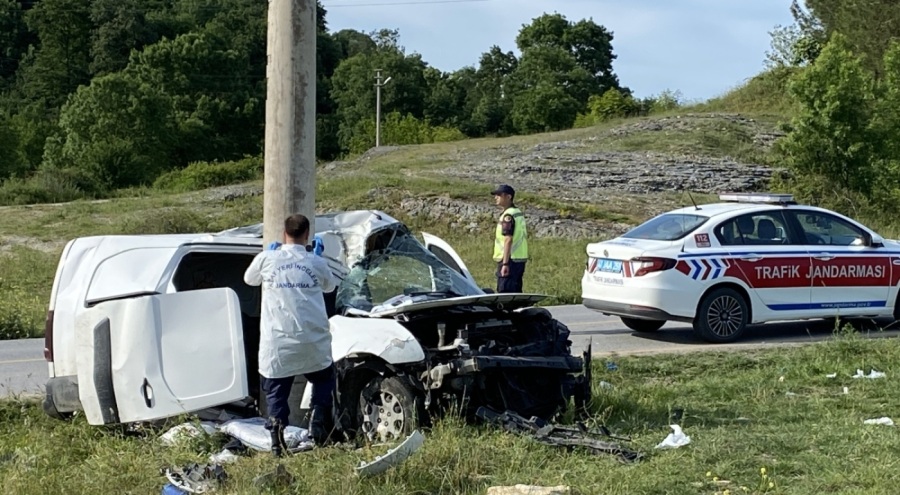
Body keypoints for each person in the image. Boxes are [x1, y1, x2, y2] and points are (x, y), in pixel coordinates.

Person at [243, 214, 338, 456]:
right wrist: (316, 258)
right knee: (324, 378)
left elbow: (249, 280)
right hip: (312, 341)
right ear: (307, 235)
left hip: (279, 342)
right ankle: (318, 421)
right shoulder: (315, 262)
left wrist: (269, 255)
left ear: (284, 233)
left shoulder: (268, 258)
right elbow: (329, 286)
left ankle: (276, 440)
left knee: (276, 389)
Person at [491, 184, 528, 293]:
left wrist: (505, 264)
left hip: (509, 259)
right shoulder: (517, 213)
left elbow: (508, 239)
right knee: (515, 292)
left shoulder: (508, 216)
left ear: (508, 197)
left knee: (505, 292)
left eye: (499, 195)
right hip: (519, 259)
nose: (496, 197)